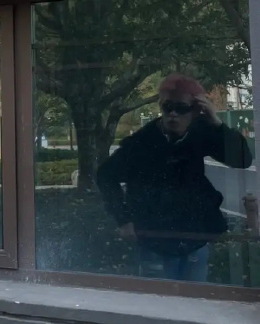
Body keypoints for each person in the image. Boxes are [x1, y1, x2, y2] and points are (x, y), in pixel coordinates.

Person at [96, 74, 252, 282]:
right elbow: (106, 175)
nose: (173, 114)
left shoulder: (200, 132)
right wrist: (123, 219)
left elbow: (242, 159)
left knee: (195, 296)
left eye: (181, 108)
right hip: (156, 239)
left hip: (193, 238)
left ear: (196, 110)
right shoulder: (142, 142)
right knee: (161, 297)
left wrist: (216, 123)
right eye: (167, 107)